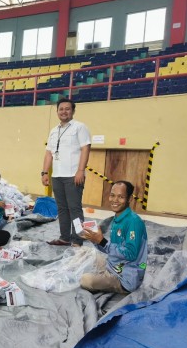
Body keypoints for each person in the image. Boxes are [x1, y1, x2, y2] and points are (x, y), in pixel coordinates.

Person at [80, 181, 148, 293]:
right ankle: (102, 276)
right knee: (83, 251)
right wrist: (94, 238)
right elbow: (109, 248)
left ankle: (105, 280)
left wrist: (102, 241)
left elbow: (131, 254)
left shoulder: (134, 222)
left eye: (121, 197)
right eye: (112, 195)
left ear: (129, 199)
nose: (115, 200)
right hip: (112, 266)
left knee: (85, 280)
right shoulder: (117, 218)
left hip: (124, 279)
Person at [41, 98, 91, 246]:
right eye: (61, 109)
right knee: (62, 208)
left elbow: (85, 148)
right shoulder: (54, 131)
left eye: (67, 109)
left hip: (73, 176)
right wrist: (44, 172)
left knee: (74, 209)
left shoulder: (79, 127)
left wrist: (80, 170)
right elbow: (49, 153)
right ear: (57, 111)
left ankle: (77, 239)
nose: (64, 111)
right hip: (57, 176)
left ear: (73, 111)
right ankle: (64, 237)